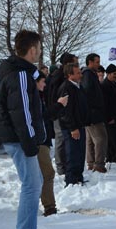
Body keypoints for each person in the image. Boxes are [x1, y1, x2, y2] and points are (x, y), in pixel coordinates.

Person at [0, 30, 46, 229]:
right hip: (19, 139)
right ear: (32, 50)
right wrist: (30, 142)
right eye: (39, 49)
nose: (40, 53)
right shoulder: (20, 74)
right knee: (32, 187)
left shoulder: (19, 71)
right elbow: (22, 113)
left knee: (34, 184)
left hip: (17, 138)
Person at [35, 72, 68, 216]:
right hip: (38, 141)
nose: (45, 84)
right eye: (42, 81)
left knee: (43, 174)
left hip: (43, 139)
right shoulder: (33, 98)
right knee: (47, 173)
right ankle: (49, 207)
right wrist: (59, 105)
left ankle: (48, 206)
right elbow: (41, 117)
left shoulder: (39, 96)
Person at [58, 63, 89, 186]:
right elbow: (65, 111)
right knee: (72, 154)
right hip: (72, 128)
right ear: (70, 75)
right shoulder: (66, 88)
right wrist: (72, 128)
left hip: (80, 125)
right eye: (78, 73)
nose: (80, 75)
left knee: (80, 153)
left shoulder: (77, 86)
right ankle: (71, 180)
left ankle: (78, 177)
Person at [47, 53, 78, 175]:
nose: (76, 65)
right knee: (60, 139)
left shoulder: (61, 76)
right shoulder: (58, 77)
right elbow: (54, 96)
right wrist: (57, 109)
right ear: (67, 64)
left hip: (61, 110)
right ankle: (61, 166)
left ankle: (64, 164)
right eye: (74, 63)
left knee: (64, 139)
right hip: (59, 111)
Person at [81, 53, 108, 173]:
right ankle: (98, 164)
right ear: (90, 62)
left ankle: (92, 163)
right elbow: (87, 92)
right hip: (93, 113)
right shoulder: (88, 75)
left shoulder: (90, 74)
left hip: (92, 112)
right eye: (97, 62)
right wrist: (93, 108)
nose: (99, 64)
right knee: (101, 138)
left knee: (91, 140)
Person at [102, 64, 116, 163]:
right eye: (114, 74)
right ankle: (111, 158)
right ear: (108, 74)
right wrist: (108, 118)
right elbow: (104, 104)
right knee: (111, 140)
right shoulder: (104, 86)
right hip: (110, 119)